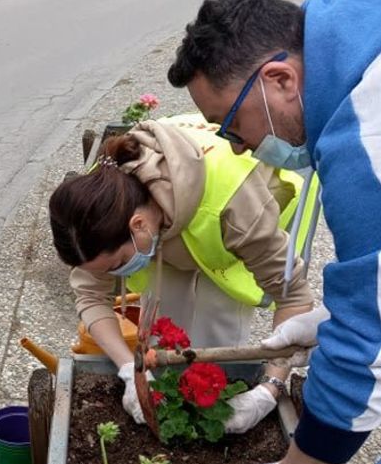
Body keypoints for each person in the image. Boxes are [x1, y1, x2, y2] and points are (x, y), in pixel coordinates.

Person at [166, 0, 381, 464]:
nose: (235, 147)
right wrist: (328, 320)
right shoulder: (356, 23)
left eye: (233, 125)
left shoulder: (364, 140)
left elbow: (367, 346)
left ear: (279, 79)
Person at [48, 114, 315, 433]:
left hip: (247, 211)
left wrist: (270, 391)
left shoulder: (237, 209)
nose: (114, 274)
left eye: (116, 264)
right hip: (172, 211)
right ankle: (173, 394)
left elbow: (294, 298)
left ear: (137, 226)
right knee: (164, 324)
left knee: (217, 321)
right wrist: (129, 372)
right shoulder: (98, 200)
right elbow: (91, 295)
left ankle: (212, 404)